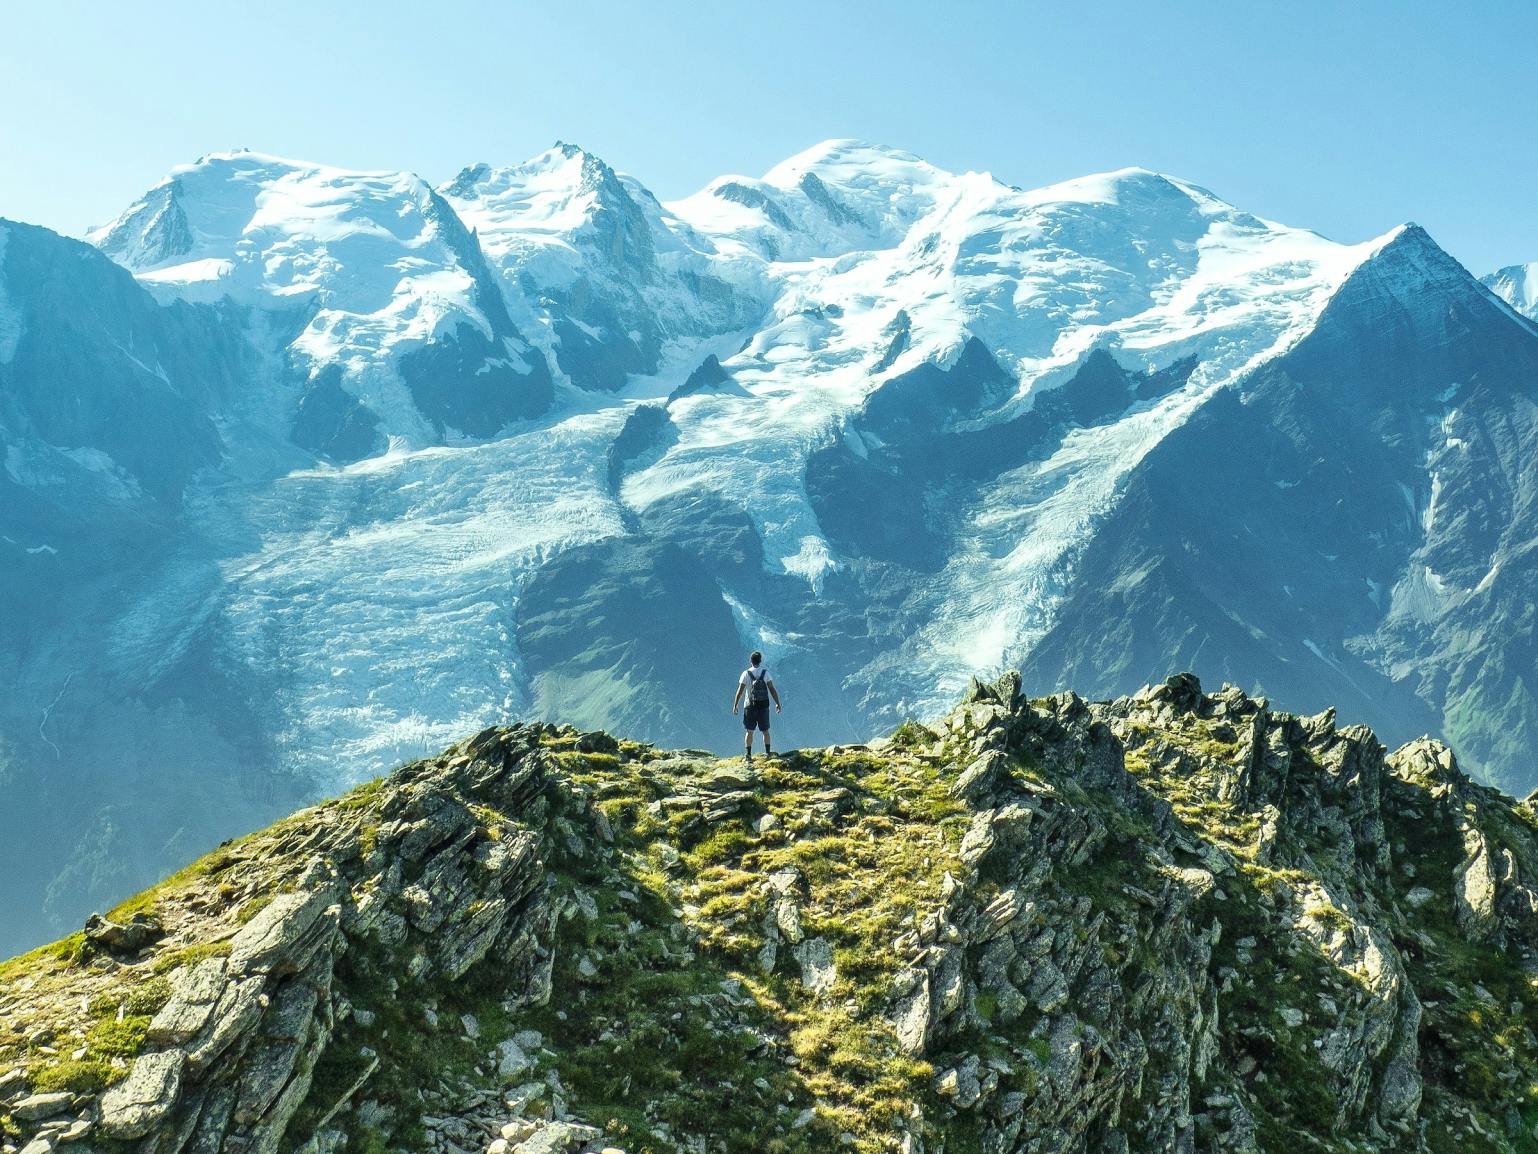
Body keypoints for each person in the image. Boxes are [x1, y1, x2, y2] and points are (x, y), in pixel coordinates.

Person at [731, 650, 781, 761]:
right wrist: (777, 703)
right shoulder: (766, 673)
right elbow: (772, 689)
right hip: (763, 706)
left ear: (751, 661)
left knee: (749, 731)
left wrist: (735, 705)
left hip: (749, 706)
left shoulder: (746, 674)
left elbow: (740, 691)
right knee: (765, 731)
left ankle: (748, 755)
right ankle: (768, 753)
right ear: (760, 661)